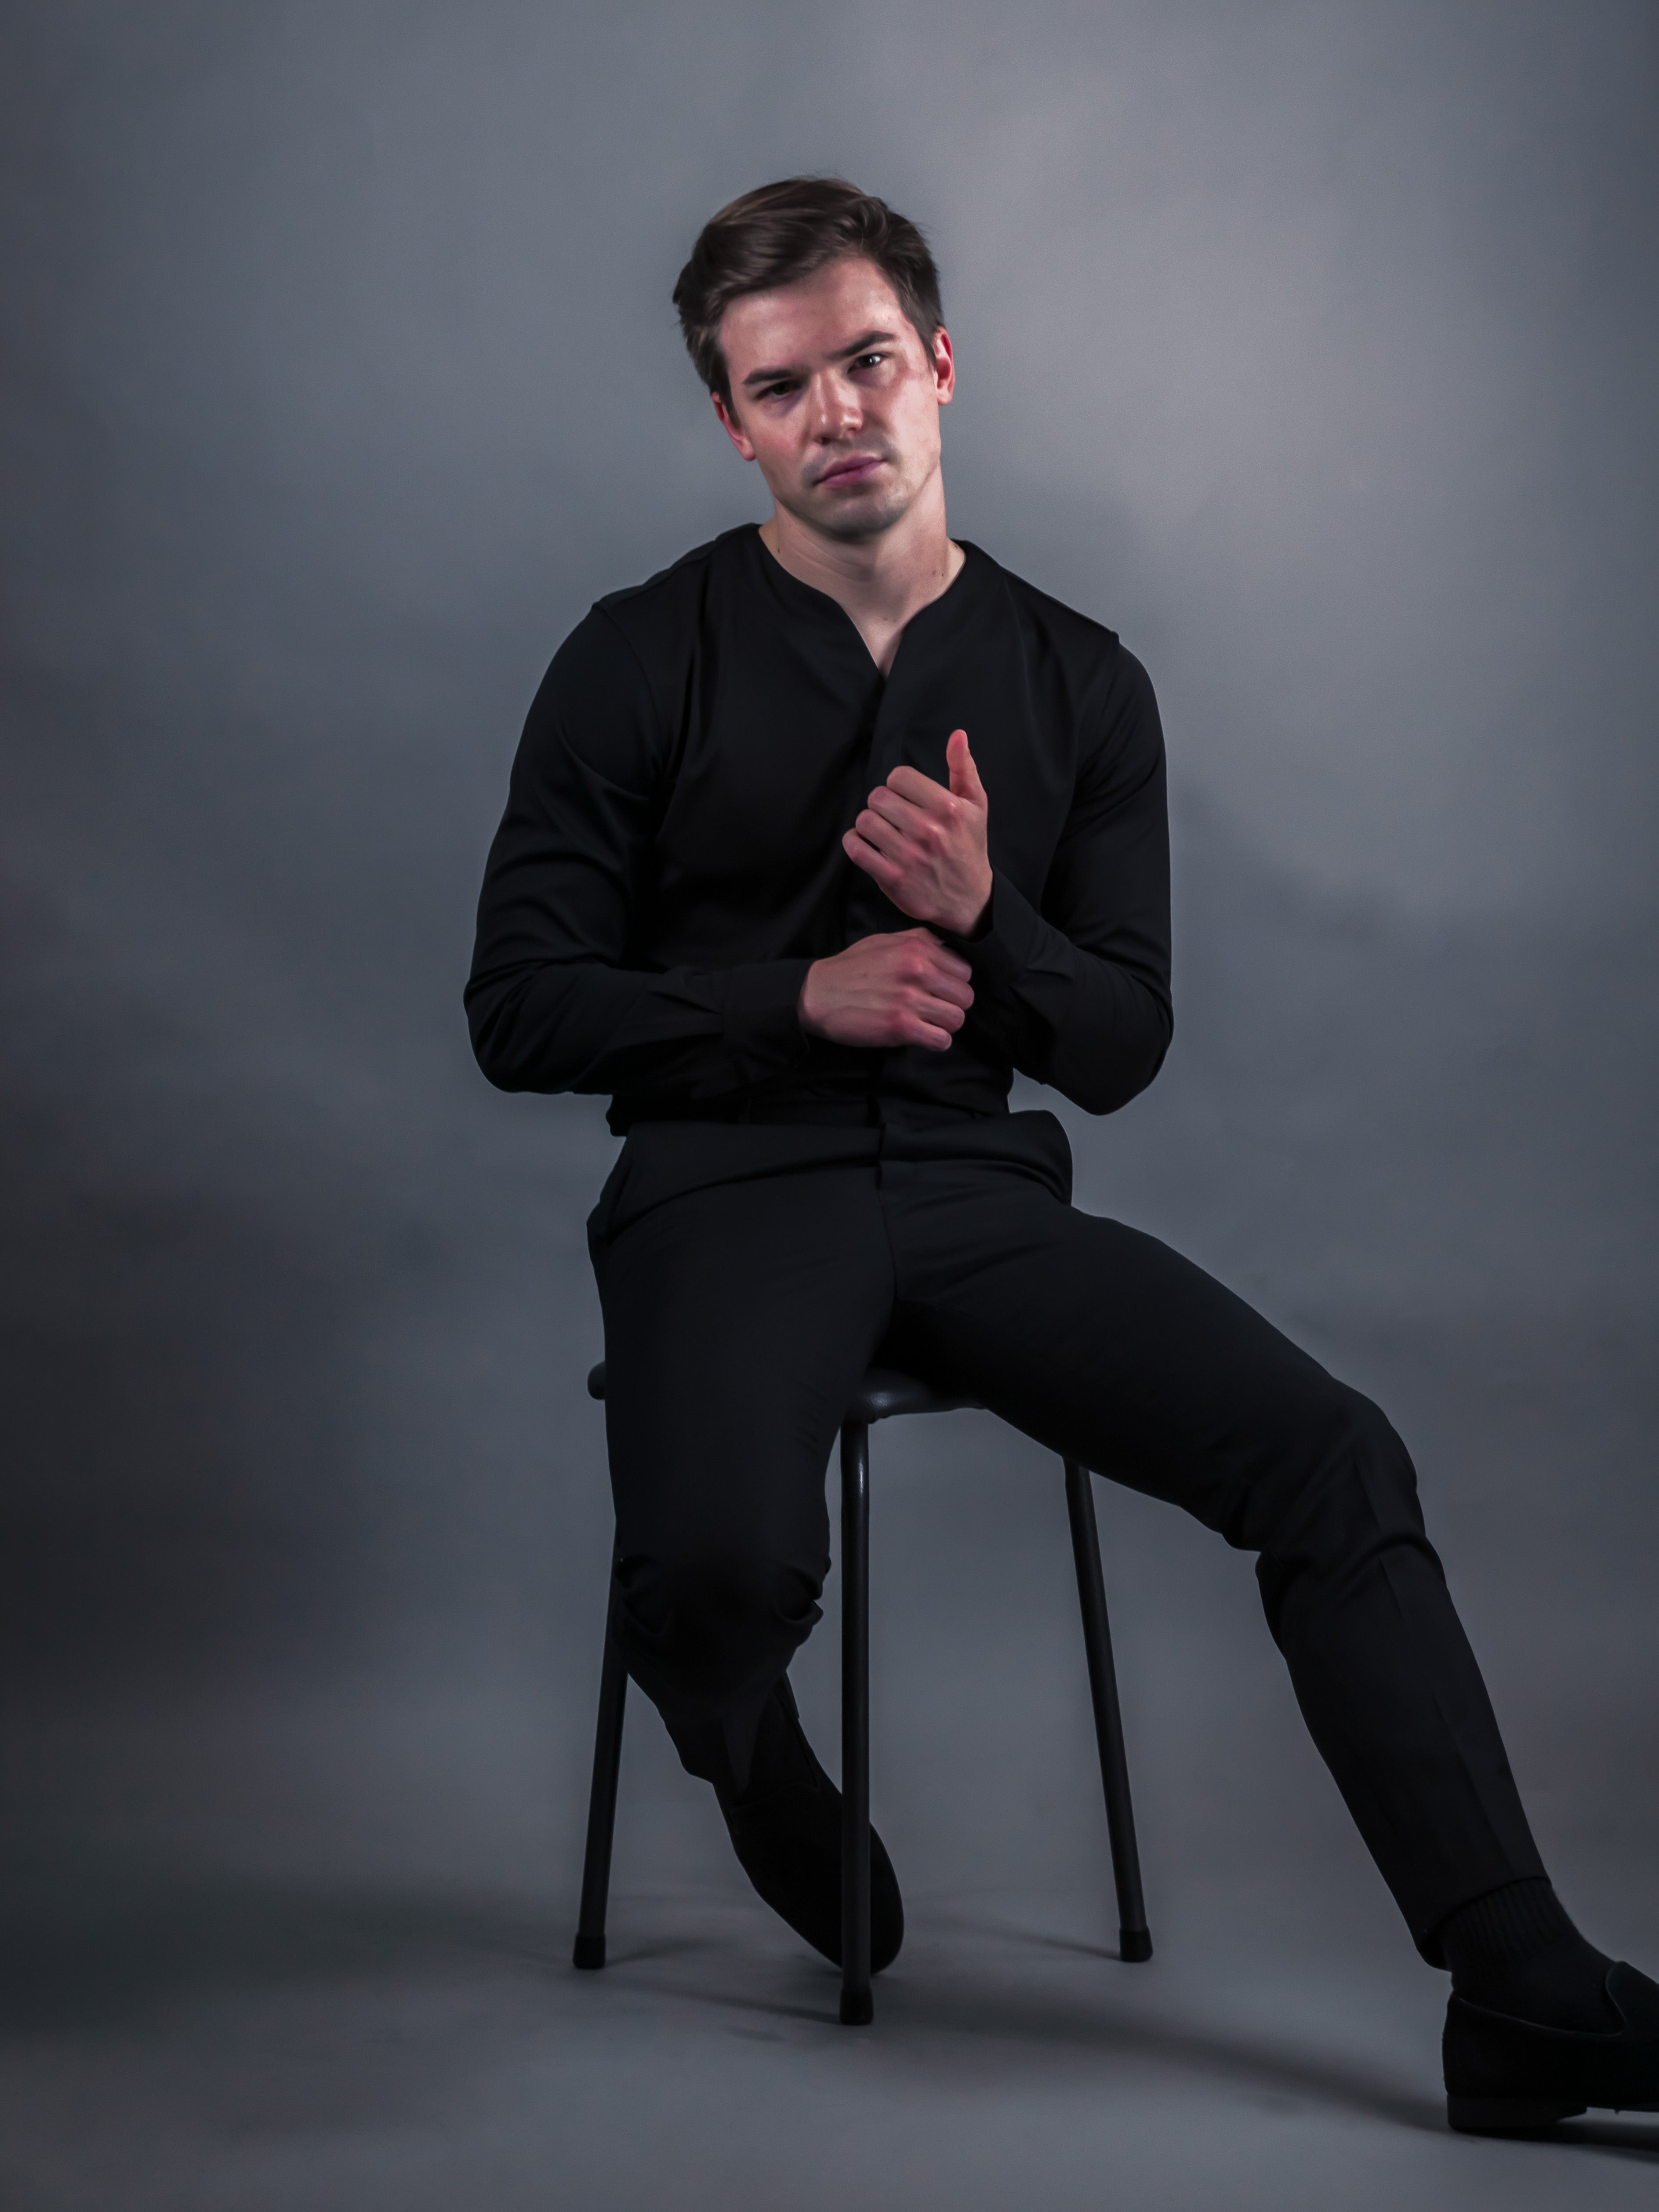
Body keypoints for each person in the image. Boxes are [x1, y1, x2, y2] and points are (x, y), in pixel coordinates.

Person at [466, 176, 1657, 2134]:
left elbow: (1118, 1044)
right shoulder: (631, 654)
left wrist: (988, 916)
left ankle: (1517, 1985)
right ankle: (747, 1749)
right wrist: (794, 1000)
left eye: (866, 361)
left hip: (970, 1193)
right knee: (717, 1580)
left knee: (1330, 1453)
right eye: (783, 388)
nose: (836, 412)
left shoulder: (1079, 678)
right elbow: (515, 1005)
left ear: (937, 365)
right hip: (717, 1185)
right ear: (733, 424)